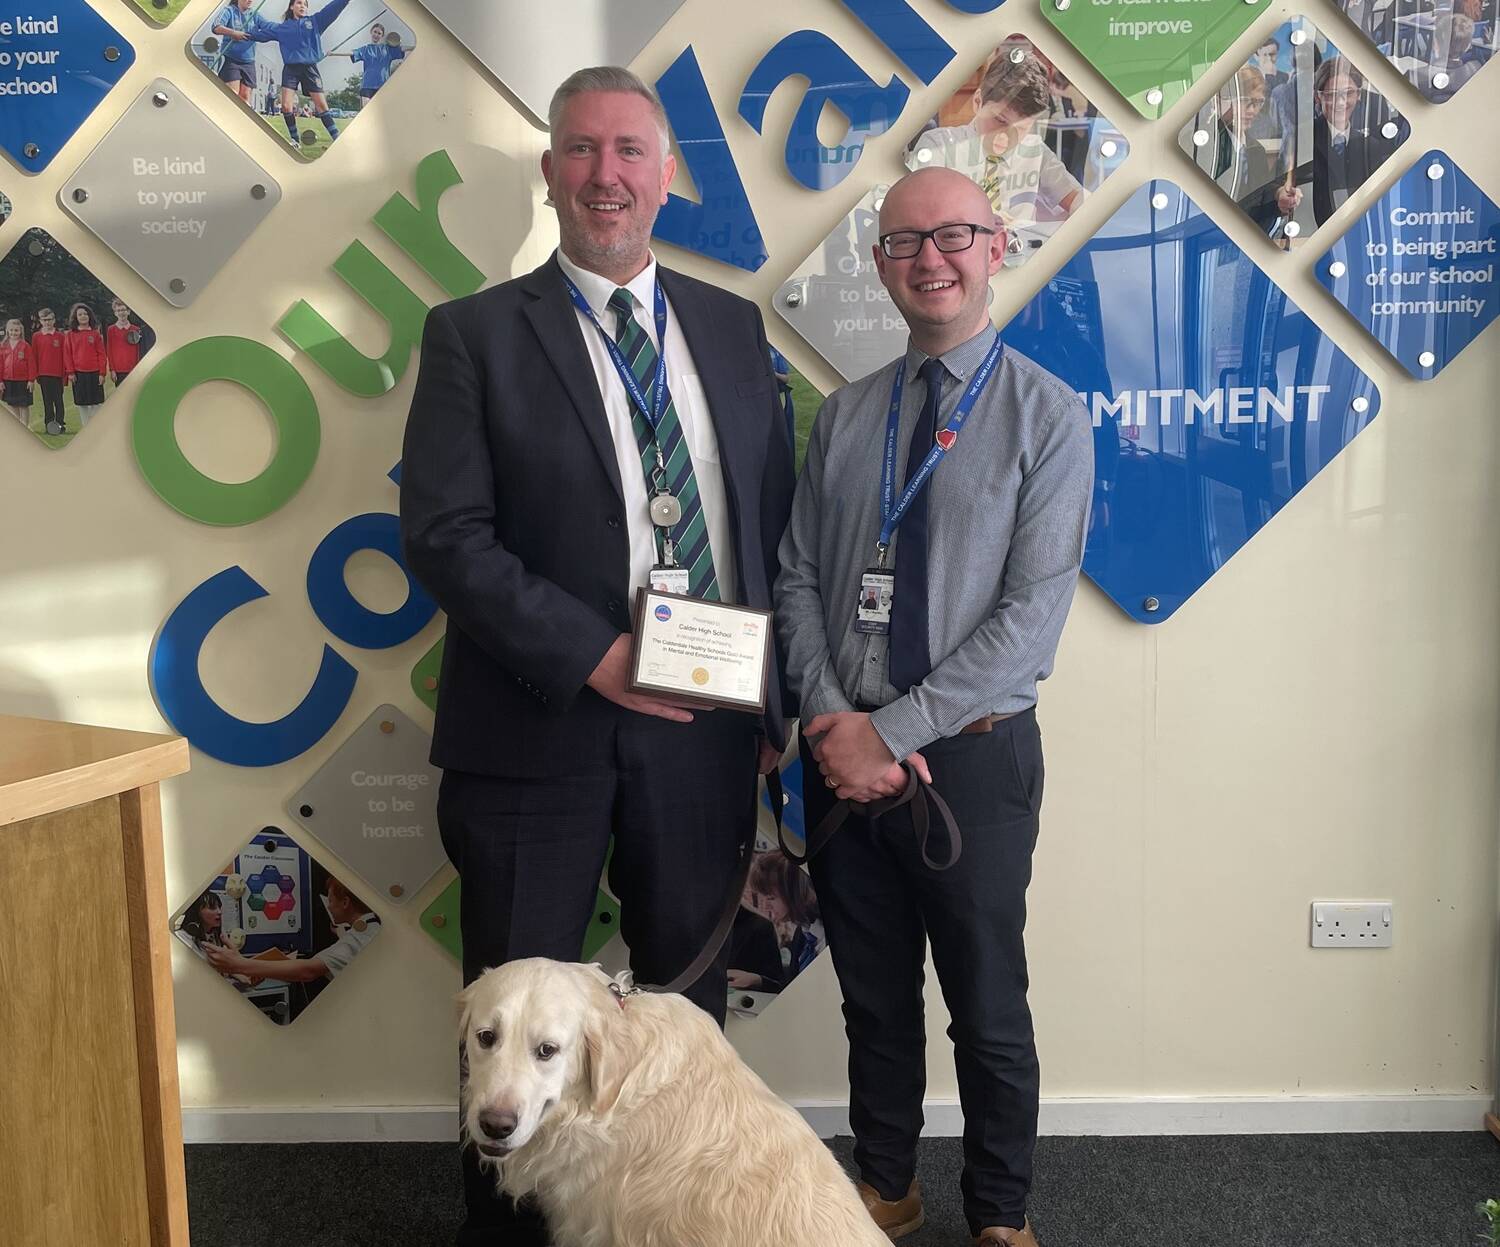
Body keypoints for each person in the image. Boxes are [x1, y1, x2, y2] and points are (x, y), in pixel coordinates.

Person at [399, 65, 795, 1247]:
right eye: (581, 149)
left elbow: (762, 528)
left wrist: (770, 697)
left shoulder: (733, 327)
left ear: (667, 178)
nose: (605, 174)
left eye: (629, 151)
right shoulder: (473, 334)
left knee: (677, 1029)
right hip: (535, 732)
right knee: (513, 1030)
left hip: (703, 739)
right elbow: (446, 535)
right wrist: (597, 655)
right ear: (549, 172)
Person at [775, 167, 1093, 1247]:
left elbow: (1029, 620)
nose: (931, 259)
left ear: (995, 246)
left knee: (987, 1007)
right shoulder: (851, 415)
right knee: (874, 998)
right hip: (841, 760)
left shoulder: (1048, 417)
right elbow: (797, 577)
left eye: (953, 234)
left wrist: (891, 731)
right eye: (905, 242)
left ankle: (1000, 1211)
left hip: (969, 758)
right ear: (882, 266)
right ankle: (888, 1184)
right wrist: (831, 719)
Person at [908, 49, 1085, 266]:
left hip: (1021, 265)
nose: (1006, 136)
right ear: (978, 101)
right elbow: (920, 214)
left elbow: (1079, 201)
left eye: (1021, 128)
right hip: (955, 264)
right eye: (1000, 120)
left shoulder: (1035, 151)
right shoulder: (938, 146)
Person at [202, 876, 379, 982]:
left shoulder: (358, 937)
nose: (330, 907)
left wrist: (239, 965)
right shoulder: (368, 930)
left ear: (346, 903)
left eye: (331, 901)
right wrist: (342, 935)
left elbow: (308, 971)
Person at [1196, 66, 1301, 238]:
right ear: (1221, 100)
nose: (1252, 110)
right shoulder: (1205, 146)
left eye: (1258, 102)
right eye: (1245, 101)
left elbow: (1257, 204)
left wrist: (1278, 197)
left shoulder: (1256, 150)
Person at [1310, 57, 1401, 225]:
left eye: (1348, 93)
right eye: (1332, 95)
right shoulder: (1303, 141)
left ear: (1358, 94)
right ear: (1318, 97)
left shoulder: (1370, 146)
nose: (1341, 102)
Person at [251, 0, 353, 147]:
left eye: (305, 4)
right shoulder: (282, 28)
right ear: (291, 6)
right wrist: (242, 34)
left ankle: (338, 141)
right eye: (299, 3)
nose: (302, 6)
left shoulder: (315, 21)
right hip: (291, 69)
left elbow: (333, 8)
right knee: (286, 106)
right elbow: (261, 35)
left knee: (322, 107)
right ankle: (295, 140)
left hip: (309, 69)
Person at [211, 0, 263, 105]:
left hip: (249, 62)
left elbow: (268, 26)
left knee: (245, 97)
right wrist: (233, 33)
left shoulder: (255, 15)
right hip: (231, 59)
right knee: (232, 95)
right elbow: (216, 27)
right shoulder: (229, 11)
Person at [64, 303, 106, 427]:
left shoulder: (95, 334)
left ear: (89, 316)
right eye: (80, 314)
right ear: (75, 317)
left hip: (95, 373)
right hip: (78, 374)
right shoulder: (70, 335)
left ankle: (95, 425)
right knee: (82, 403)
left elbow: (102, 354)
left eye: (85, 314)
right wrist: (71, 372)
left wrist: (102, 373)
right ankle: (85, 426)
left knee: (96, 402)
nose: (83, 316)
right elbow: (67, 354)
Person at [30, 307, 68, 435]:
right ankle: (49, 424)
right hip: (43, 374)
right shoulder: (36, 336)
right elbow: (34, 356)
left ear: (54, 320)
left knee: (59, 401)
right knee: (47, 401)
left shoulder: (61, 336)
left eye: (49, 319)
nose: (47, 322)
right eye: (44, 320)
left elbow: (65, 356)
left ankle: (60, 423)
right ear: (40, 321)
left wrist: (65, 373)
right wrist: (35, 374)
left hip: (58, 374)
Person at [347, 21, 404, 107]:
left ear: (382, 36)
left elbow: (403, 49)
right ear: (371, 32)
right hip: (367, 86)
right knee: (366, 112)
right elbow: (351, 53)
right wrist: (332, 53)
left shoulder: (388, 49)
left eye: (379, 33)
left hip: (383, 86)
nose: (376, 35)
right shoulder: (365, 49)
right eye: (375, 32)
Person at [0, 318, 36, 428]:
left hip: (23, 381)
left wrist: (31, 380)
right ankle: (17, 427)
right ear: (7, 331)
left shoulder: (25, 346)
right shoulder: (3, 346)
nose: (13, 333)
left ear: (20, 331)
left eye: (16, 330)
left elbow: (31, 364)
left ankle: (25, 426)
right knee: (12, 404)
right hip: (8, 380)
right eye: (11, 330)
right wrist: (0, 381)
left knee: (23, 405)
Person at [107, 299, 142, 386]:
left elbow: (139, 351)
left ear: (128, 312)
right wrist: (112, 370)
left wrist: (139, 368)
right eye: (118, 310)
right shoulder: (111, 330)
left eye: (123, 310)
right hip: (119, 370)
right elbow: (109, 351)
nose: (121, 313)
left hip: (134, 369)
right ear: (115, 313)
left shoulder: (136, 329)